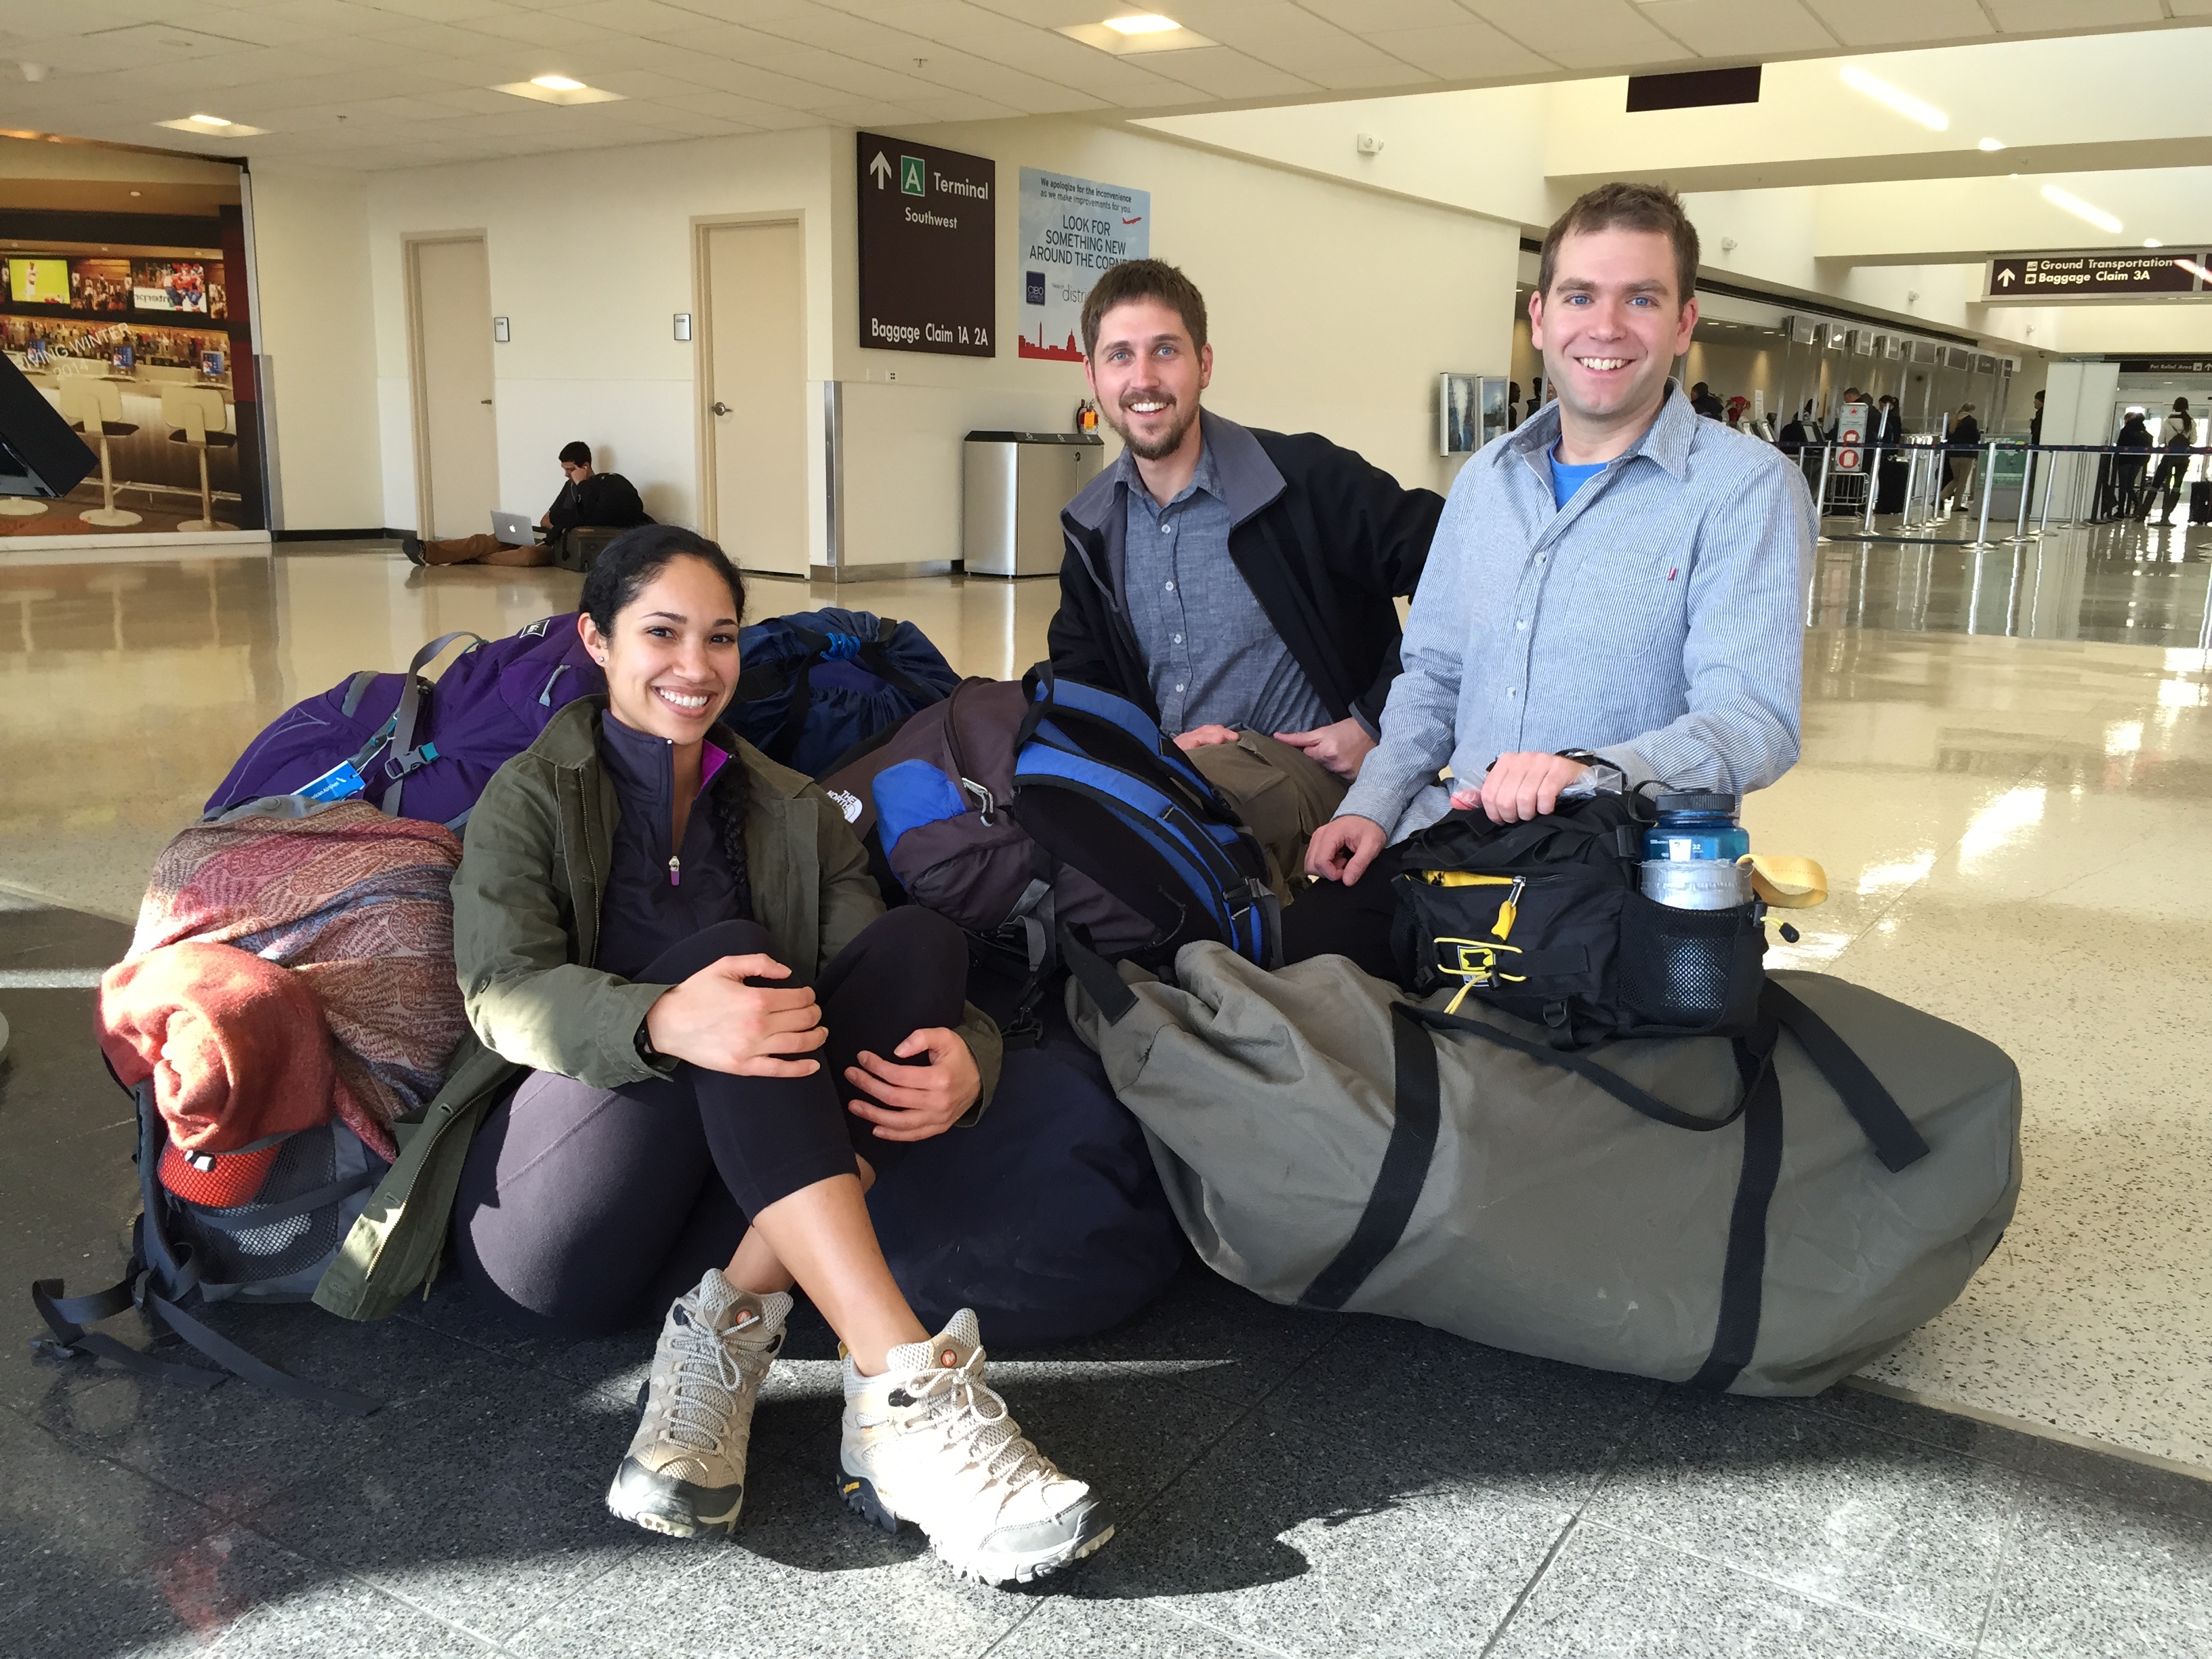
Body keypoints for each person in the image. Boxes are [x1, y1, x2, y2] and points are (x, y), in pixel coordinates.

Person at [443, 527, 1111, 1582]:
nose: (695, 667)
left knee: (923, 941)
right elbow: (497, 992)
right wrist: (662, 1020)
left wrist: (970, 1055)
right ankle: (905, 1385)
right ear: (597, 641)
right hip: (561, 1219)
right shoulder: (532, 795)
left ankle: (727, 1333)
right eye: (661, 634)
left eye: (720, 638)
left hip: (735, 1180)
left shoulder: (790, 807)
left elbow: (869, 981)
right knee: (735, 965)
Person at [1294, 182, 1814, 979]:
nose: (1604, 327)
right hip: (1451, 844)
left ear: (1682, 324)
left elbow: (1756, 721)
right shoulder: (1486, 482)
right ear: (1541, 318)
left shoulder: (1745, 488)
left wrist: (1592, 769)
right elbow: (1433, 674)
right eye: (1580, 296)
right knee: (1287, 978)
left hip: (1608, 873)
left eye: (1640, 298)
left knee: (1513, 1081)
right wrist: (1372, 802)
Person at [1050, 258, 1443, 895]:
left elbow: (1457, 564)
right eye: (1119, 356)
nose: (1143, 378)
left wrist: (1378, 719)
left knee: (1173, 839)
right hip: (1174, 770)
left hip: (1302, 775)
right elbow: (1082, 679)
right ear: (1092, 375)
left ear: (1204, 364)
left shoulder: (1301, 479)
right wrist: (1159, 744)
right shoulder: (1094, 526)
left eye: (1165, 351)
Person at [402, 441, 652, 567]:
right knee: (488, 539)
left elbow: (592, 517)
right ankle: (429, 550)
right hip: (548, 535)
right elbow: (547, 519)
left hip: (556, 544)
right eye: (564, 469)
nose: (566, 475)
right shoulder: (570, 487)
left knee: (527, 555)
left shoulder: (602, 486)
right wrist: (563, 514)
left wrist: (582, 487)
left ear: (585, 467)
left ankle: (472, 559)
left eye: (570, 470)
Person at [2146, 403, 2193, 523]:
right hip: (2183, 458)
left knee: (2156, 484)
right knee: (2177, 485)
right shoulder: (2190, 422)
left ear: (2174, 407)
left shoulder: (2168, 422)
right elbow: (2193, 440)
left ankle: (2143, 513)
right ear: (2187, 408)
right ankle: (2167, 515)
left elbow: (2160, 440)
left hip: (2168, 457)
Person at [1870, 394, 1908, 514]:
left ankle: (1884, 505)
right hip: (1890, 451)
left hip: (1887, 451)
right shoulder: (1895, 417)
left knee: (1884, 478)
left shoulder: (1889, 418)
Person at [2111, 409, 2153, 519]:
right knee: (2130, 485)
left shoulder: (2126, 430)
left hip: (2125, 461)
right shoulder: (2145, 433)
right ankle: (2138, 504)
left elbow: (2120, 446)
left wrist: (2116, 460)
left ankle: (2121, 511)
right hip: (2137, 463)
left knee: (2123, 486)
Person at [1946, 403, 1982, 511]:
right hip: (1966, 455)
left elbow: (1948, 437)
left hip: (1953, 455)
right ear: (1971, 411)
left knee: (1956, 480)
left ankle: (1940, 498)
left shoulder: (1953, 421)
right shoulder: (1971, 421)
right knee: (1962, 482)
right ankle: (1956, 505)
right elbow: (1975, 438)